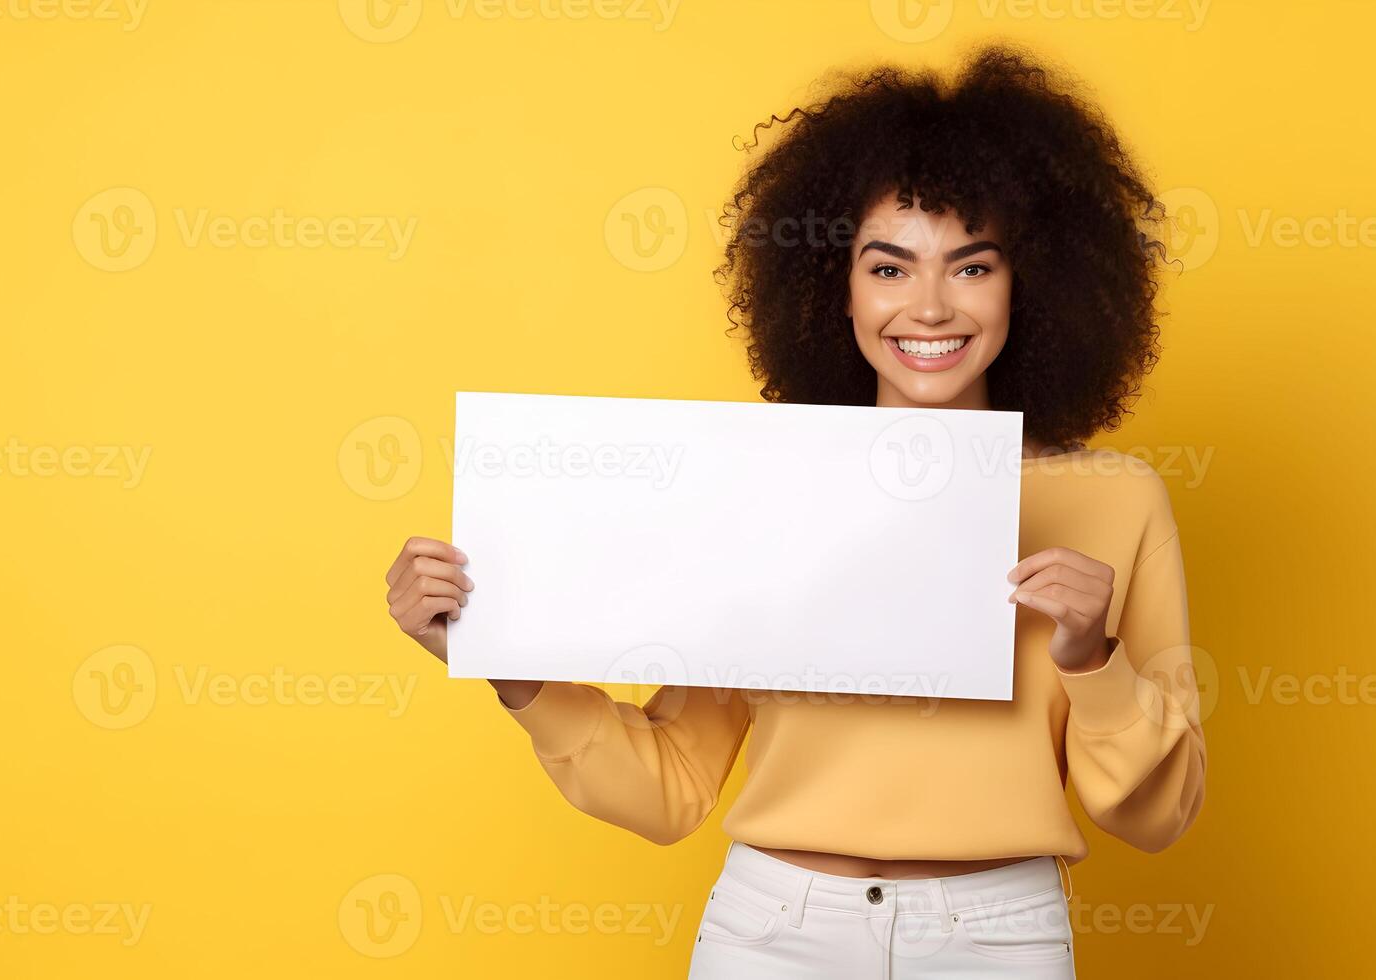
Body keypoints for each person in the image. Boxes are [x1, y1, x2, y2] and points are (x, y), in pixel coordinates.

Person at [384, 42, 1206, 979]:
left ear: (1034, 283)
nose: (931, 307)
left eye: (972, 268)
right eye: (889, 269)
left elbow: (1160, 815)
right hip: (772, 935)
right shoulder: (768, 483)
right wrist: (504, 664)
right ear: (835, 287)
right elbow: (673, 787)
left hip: (998, 938)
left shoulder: (1116, 497)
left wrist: (1093, 660)